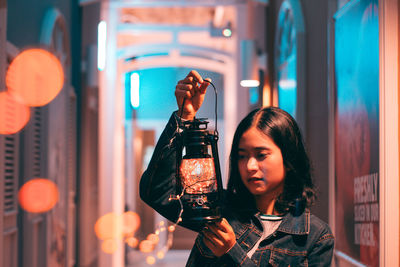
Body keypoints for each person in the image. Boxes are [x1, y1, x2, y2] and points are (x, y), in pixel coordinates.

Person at [140, 70, 334, 266]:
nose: (250, 166)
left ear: (289, 157)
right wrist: (184, 118)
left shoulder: (315, 237)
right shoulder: (220, 210)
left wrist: (233, 253)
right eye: (242, 156)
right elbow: (156, 192)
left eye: (261, 155)